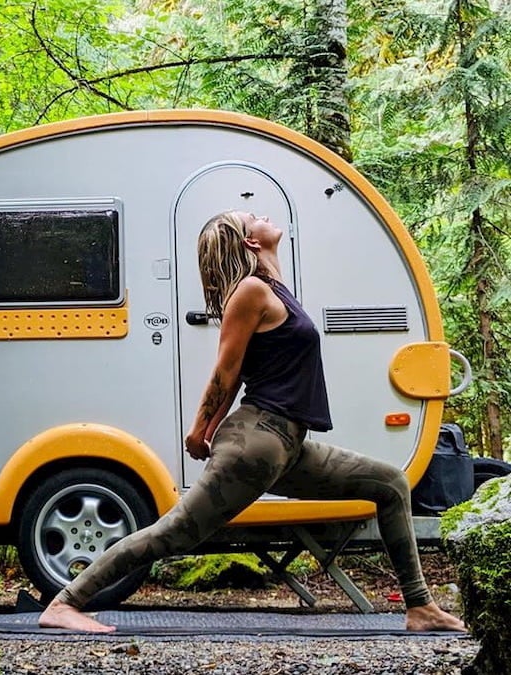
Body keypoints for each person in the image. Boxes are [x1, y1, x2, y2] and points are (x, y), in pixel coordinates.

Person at [38, 210, 467, 634]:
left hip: (288, 446)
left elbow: (244, 370)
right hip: (256, 443)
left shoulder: (272, 289)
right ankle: (65, 602)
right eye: (252, 217)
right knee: (174, 533)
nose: (263, 214)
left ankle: (420, 607)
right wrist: (199, 429)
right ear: (250, 242)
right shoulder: (250, 291)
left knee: (390, 484)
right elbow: (227, 372)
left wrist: (208, 429)